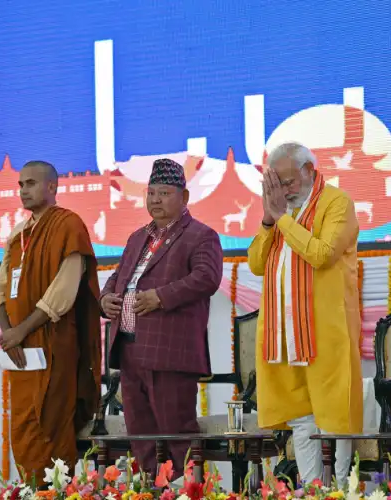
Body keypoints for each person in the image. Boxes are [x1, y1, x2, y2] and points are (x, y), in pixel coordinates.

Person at [248, 142, 363, 485]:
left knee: (334, 417)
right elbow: (256, 263)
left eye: (287, 182)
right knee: (302, 419)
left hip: (326, 330)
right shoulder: (282, 212)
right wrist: (269, 220)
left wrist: (282, 217)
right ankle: (312, 489)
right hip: (285, 335)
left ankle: (340, 489)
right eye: (276, 185)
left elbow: (323, 254)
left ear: (309, 171)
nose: (282, 191)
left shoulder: (337, 202)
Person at [100, 158, 223, 478]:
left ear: (184, 197)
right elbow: (118, 277)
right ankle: (151, 488)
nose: (155, 199)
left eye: (164, 193)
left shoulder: (200, 235)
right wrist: (106, 298)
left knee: (177, 432)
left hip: (169, 351)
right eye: (151, 193)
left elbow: (207, 278)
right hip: (129, 349)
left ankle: (189, 490)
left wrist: (160, 297)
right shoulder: (137, 237)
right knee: (141, 435)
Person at [0, 160, 102, 484]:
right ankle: (30, 489)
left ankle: (53, 490)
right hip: (21, 353)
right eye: (20, 185)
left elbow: (63, 293)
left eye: (30, 183)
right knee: (23, 427)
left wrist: (21, 331)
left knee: (51, 425)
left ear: (52, 187)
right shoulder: (18, 233)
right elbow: (0, 291)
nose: (23, 190)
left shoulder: (69, 225)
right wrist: (8, 333)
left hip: (54, 347)